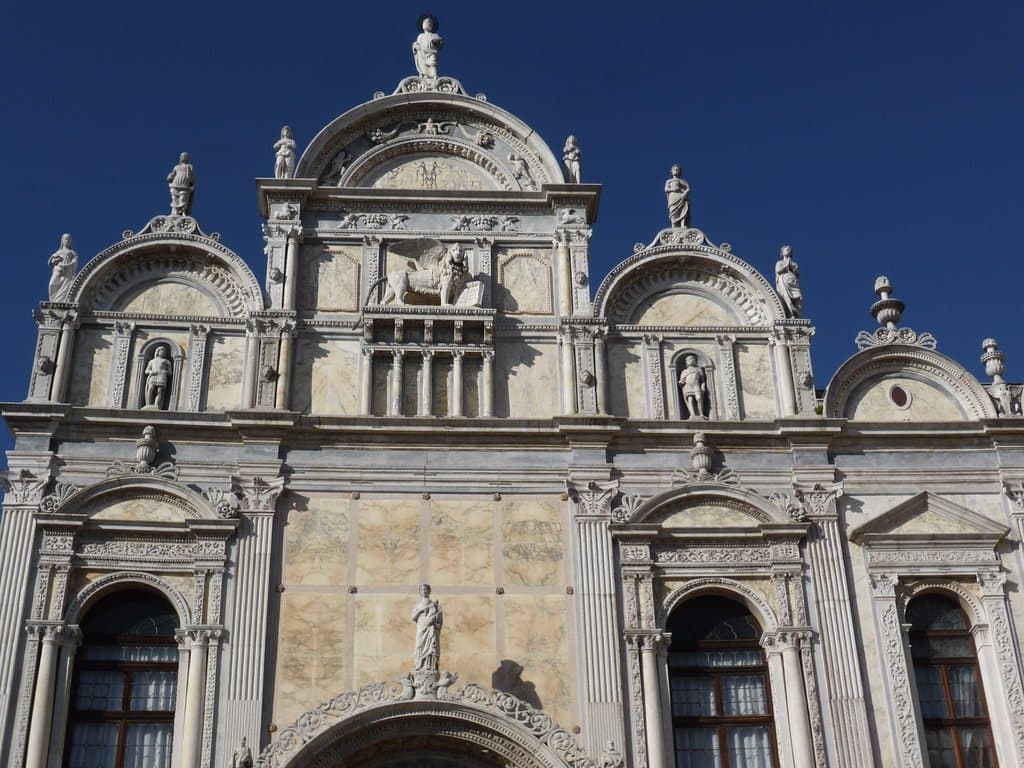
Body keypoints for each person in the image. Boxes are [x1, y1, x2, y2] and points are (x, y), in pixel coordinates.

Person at [412, 584, 443, 672]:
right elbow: (413, 617)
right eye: (422, 589)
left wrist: (433, 619)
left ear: (429, 591)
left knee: (431, 646)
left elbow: (439, 619)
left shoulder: (434, 605)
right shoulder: (418, 605)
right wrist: (421, 611)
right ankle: (419, 664)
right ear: (420, 592)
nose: (424, 591)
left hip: (430, 627)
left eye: (426, 589)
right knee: (419, 645)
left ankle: (429, 666)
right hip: (421, 627)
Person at [47, 233, 77, 302]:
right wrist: (55, 260)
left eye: (69, 240)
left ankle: (62, 301)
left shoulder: (72, 252)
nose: (67, 241)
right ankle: (53, 301)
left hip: (68, 271)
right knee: (51, 285)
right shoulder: (58, 252)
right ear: (62, 241)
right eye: (65, 239)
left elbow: (75, 261)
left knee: (66, 287)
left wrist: (67, 265)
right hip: (58, 269)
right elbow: (50, 261)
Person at [775, 244, 803, 318]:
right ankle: (791, 314)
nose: (788, 251)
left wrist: (791, 266)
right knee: (786, 298)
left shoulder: (794, 264)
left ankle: (797, 314)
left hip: (793, 281)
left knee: (799, 297)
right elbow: (778, 271)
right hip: (784, 281)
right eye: (786, 249)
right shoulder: (779, 263)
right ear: (782, 252)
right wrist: (786, 265)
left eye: (789, 250)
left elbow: (797, 273)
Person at [678, 355, 707, 419]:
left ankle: (701, 414)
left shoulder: (699, 369)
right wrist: (681, 382)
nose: (691, 360)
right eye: (689, 359)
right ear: (687, 362)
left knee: (699, 398)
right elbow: (681, 380)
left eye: (692, 359)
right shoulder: (684, 371)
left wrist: (703, 386)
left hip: (696, 385)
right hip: (687, 386)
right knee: (690, 400)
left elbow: (702, 380)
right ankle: (692, 414)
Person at [665, 164, 690, 228]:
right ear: (671, 171)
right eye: (674, 169)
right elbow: (666, 189)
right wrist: (673, 189)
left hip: (681, 196)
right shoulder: (669, 181)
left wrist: (684, 193)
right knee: (673, 210)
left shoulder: (682, 181)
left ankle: (682, 224)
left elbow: (688, 188)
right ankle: (673, 225)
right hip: (673, 196)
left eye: (677, 169)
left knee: (683, 210)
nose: (676, 170)